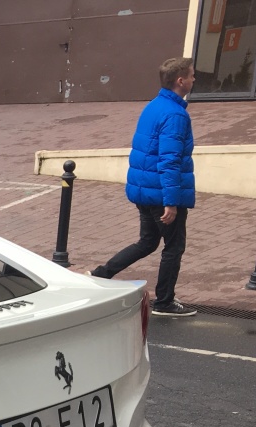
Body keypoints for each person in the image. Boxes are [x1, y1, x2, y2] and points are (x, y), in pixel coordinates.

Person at [89, 57, 197, 318]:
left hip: (145, 189)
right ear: (180, 81)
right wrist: (171, 202)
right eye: (192, 76)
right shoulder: (175, 114)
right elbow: (169, 160)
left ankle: (100, 275)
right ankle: (164, 301)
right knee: (174, 246)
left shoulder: (154, 106)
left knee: (148, 241)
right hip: (162, 193)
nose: (195, 80)